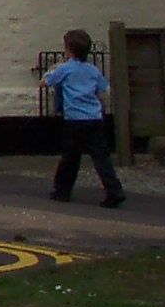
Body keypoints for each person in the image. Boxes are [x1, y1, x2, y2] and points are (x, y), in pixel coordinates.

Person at [44, 28, 125, 209]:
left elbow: (45, 82)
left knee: (70, 157)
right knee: (101, 157)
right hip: (94, 119)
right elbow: (102, 93)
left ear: (68, 49)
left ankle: (62, 191)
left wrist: (55, 67)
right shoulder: (93, 70)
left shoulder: (65, 68)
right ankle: (114, 191)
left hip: (74, 119)